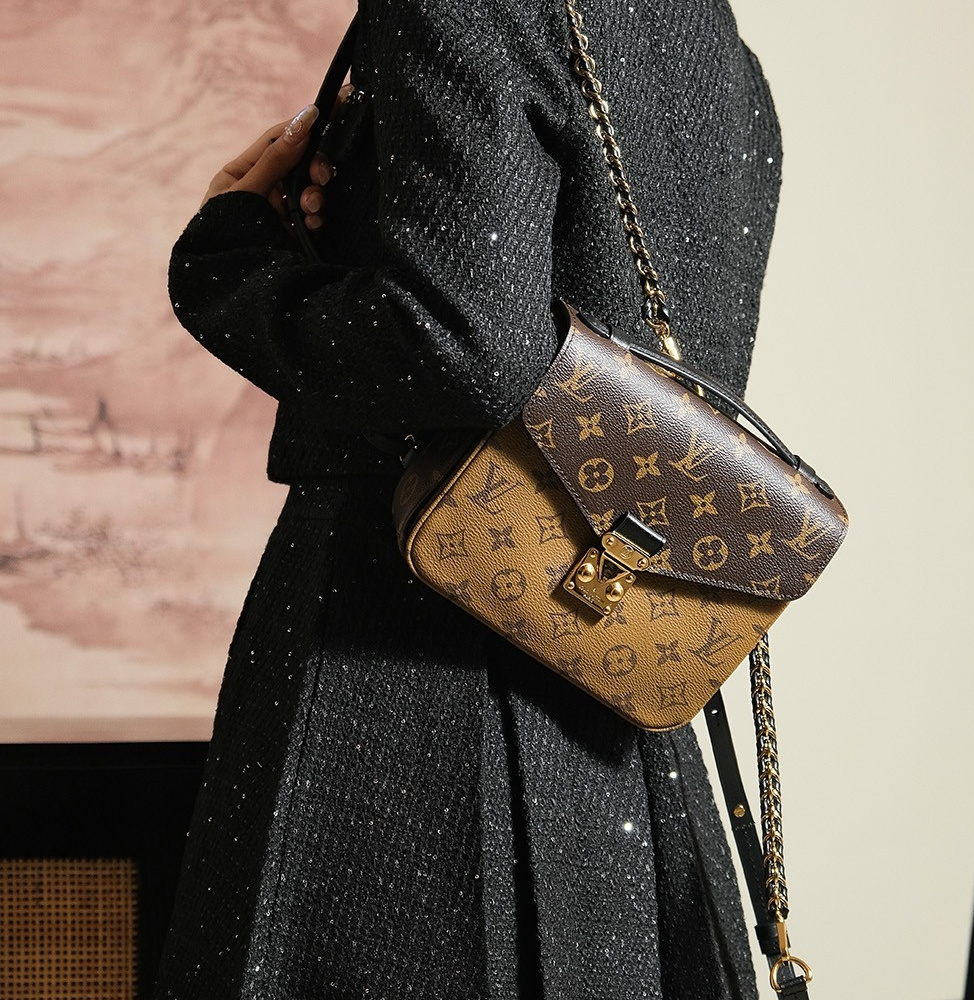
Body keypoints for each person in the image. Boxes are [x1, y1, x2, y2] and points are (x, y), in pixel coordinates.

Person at [154, 1, 782, 997]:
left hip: (401, 667)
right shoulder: (718, 50)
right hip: (612, 673)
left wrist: (230, 263)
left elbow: (457, 347)